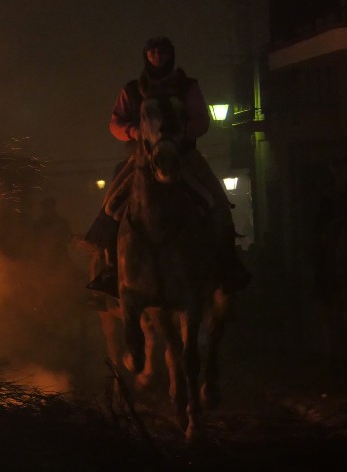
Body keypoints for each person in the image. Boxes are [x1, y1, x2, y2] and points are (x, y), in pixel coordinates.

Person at [85, 37, 251, 297]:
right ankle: (109, 266)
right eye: (152, 51)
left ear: (170, 55)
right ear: (145, 55)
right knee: (111, 204)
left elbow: (201, 119)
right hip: (143, 157)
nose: (157, 55)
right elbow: (115, 122)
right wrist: (134, 131)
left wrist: (179, 136)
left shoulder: (188, 86)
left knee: (216, 200)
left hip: (183, 155)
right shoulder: (131, 89)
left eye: (162, 51)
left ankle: (227, 264)